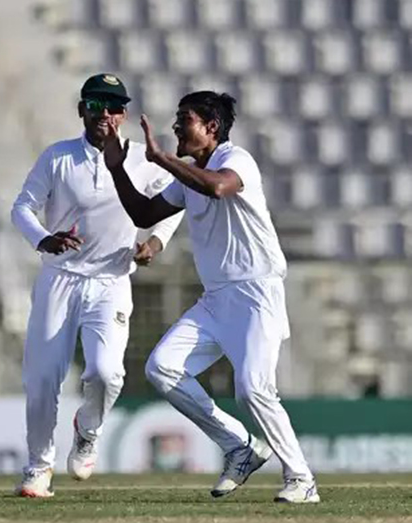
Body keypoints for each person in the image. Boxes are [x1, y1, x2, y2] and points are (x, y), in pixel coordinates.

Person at [101, 91, 319, 503]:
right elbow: (145, 215)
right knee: (162, 368)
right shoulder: (189, 177)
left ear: (212, 127)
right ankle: (239, 446)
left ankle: (301, 479)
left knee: (253, 389)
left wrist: (162, 159)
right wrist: (116, 168)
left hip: (257, 293)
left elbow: (220, 189)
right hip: (217, 300)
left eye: (186, 120)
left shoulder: (236, 161)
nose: (177, 127)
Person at [10, 73, 184, 498]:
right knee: (43, 378)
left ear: (124, 114)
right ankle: (39, 466)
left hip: (111, 280)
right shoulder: (58, 157)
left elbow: (176, 203)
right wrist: (43, 239)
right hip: (59, 279)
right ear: (81, 109)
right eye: (95, 105)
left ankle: (87, 431)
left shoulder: (142, 159)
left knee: (106, 373)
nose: (104, 114)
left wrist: (156, 241)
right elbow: (22, 208)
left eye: (114, 107)